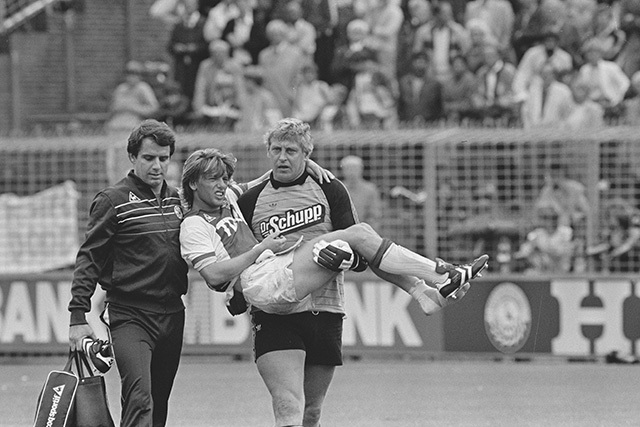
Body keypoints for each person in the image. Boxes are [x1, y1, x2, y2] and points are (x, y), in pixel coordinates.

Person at [226, 118, 488, 427]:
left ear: (307, 154)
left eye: (291, 151)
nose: (282, 157)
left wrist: (342, 259)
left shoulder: (330, 189)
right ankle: (436, 277)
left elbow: (364, 257)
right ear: (268, 151)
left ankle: (426, 290)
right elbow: (242, 259)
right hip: (275, 314)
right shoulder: (248, 199)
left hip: (324, 308)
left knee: (311, 412)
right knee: (286, 405)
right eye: (276, 150)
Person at [68, 119, 189, 427]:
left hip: (173, 313)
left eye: (163, 158)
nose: (157, 166)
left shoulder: (179, 200)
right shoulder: (113, 200)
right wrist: (78, 316)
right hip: (130, 314)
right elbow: (89, 258)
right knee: (140, 398)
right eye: (148, 158)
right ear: (133, 157)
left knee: (158, 402)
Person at [340, 155, 381, 230]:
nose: (351, 172)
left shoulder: (370, 189)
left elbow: (374, 215)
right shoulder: (338, 188)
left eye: (355, 168)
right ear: (343, 170)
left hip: (364, 230)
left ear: (361, 170)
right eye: (348, 168)